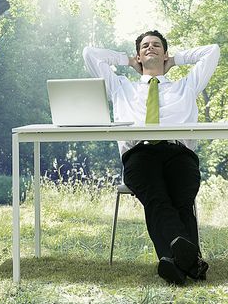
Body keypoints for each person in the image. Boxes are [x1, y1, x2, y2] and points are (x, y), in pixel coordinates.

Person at [82, 30, 220, 285]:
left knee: (182, 199)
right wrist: (126, 60)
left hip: (179, 153)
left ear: (165, 53)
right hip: (140, 154)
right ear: (138, 55)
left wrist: (176, 60)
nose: (151, 48)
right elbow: (89, 55)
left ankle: (174, 262)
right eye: (145, 46)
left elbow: (212, 51)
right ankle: (193, 262)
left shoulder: (186, 86)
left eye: (157, 45)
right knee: (156, 198)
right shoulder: (122, 87)